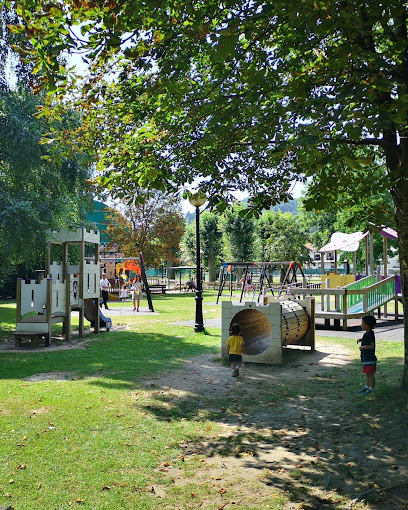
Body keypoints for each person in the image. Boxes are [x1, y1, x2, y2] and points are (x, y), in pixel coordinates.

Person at [357, 315, 377, 395]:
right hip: (365, 357)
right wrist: (361, 340)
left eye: (362, 323)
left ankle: (371, 388)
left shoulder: (371, 334)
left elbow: (372, 346)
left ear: (367, 325)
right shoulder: (367, 334)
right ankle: (367, 386)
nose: (361, 325)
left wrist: (363, 347)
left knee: (370, 373)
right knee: (367, 373)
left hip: (370, 357)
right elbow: (367, 340)